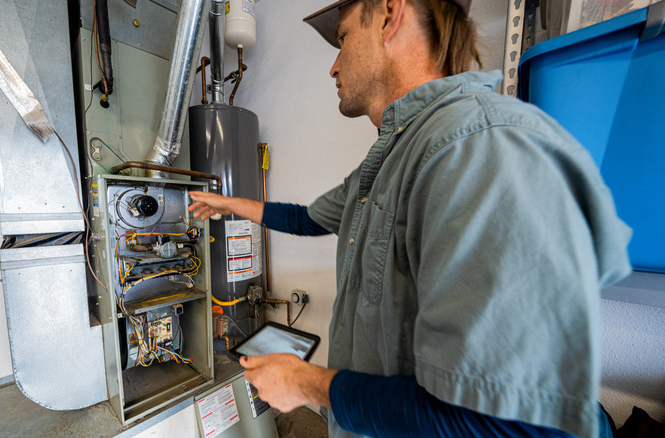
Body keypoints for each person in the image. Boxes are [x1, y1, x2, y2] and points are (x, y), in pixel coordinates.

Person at [188, 0, 632, 436]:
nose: (334, 67)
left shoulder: (479, 149)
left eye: (342, 39)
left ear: (389, 14)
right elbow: (307, 219)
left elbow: (496, 425)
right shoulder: (387, 161)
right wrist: (228, 204)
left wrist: (307, 383)